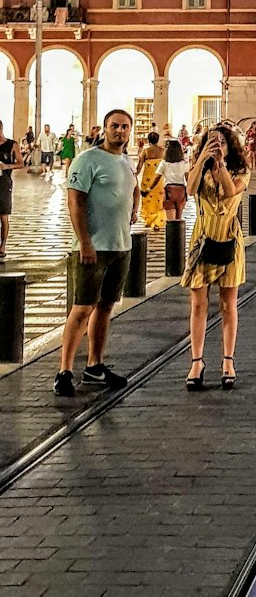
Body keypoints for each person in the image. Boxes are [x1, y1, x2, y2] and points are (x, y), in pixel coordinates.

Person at [55, 109, 138, 397]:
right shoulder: (87, 160)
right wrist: (85, 242)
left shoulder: (126, 161)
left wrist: (135, 208)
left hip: (121, 246)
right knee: (82, 307)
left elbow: (133, 188)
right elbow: (75, 203)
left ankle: (95, 366)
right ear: (104, 128)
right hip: (95, 247)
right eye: (115, 126)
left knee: (105, 307)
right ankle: (64, 370)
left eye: (125, 127)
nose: (120, 131)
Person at [183, 123, 250, 391]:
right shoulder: (200, 168)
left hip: (229, 239)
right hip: (202, 240)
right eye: (212, 142)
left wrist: (220, 164)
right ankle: (196, 362)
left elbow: (231, 192)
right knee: (198, 303)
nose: (217, 146)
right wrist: (201, 160)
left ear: (230, 146)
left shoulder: (241, 171)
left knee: (227, 304)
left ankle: (228, 361)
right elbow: (189, 189)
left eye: (222, 142)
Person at [0, 122, 23, 261]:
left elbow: (21, 163)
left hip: (3, 182)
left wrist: (6, 166)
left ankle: (3, 245)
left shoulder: (12, 145)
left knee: (3, 214)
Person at [138, 129, 167, 230]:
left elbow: (139, 166)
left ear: (148, 140)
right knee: (159, 200)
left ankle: (149, 220)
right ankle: (158, 221)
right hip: (159, 179)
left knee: (148, 200)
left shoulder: (145, 152)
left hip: (147, 179)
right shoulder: (163, 151)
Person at [162, 137, 188, 219]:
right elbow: (187, 177)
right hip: (181, 189)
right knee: (179, 216)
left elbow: (157, 176)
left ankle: (171, 231)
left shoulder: (164, 163)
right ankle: (179, 231)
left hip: (169, 189)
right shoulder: (183, 163)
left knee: (170, 218)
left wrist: (150, 187)